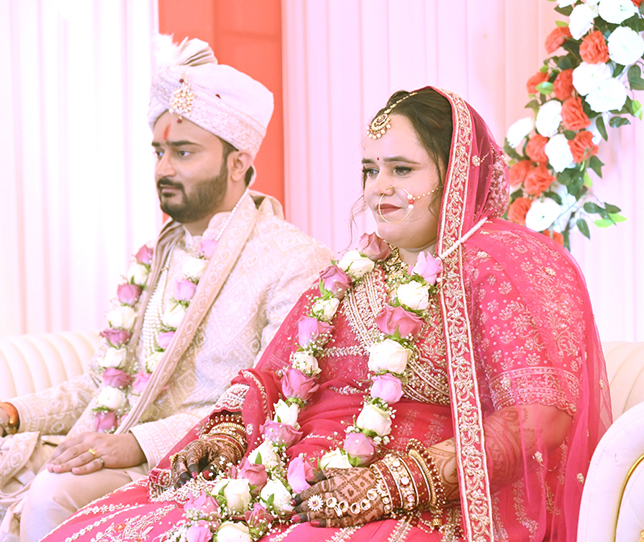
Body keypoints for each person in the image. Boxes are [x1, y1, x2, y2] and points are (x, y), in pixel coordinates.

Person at [43, 87, 611, 542]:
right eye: (369, 170)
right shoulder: (356, 270)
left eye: (400, 170)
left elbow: (539, 416)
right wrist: (223, 434)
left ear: (454, 173)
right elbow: (272, 376)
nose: (378, 190)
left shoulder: (505, 262)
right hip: (281, 482)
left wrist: (391, 485)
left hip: (420, 501)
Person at [0, 37, 332, 542]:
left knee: (51, 493)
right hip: (105, 441)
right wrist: (5, 415)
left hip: (192, 464)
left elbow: (275, 402)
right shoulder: (160, 253)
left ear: (238, 163)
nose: (163, 168)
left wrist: (138, 444)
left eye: (183, 152)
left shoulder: (293, 261)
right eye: (159, 151)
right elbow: (100, 384)